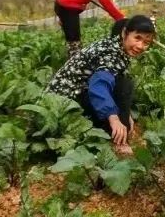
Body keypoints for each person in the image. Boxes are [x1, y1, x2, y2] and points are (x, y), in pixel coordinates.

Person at [47, 15, 155, 154]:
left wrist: (125, 113)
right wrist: (115, 118)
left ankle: (111, 126)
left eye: (146, 42)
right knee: (125, 84)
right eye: (137, 38)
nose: (140, 46)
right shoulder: (110, 53)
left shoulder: (115, 46)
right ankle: (119, 140)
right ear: (124, 33)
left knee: (120, 81)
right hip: (63, 104)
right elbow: (99, 85)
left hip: (67, 98)